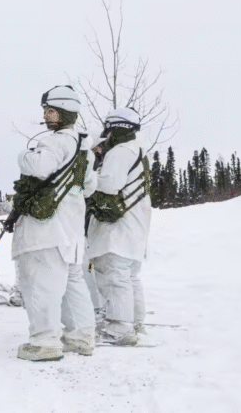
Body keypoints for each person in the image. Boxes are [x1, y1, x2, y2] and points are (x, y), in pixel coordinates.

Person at [10, 85, 98, 361]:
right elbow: (89, 188)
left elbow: (39, 167)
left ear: (62, 113)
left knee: (40, 283)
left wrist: (22, 156)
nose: (46, 116)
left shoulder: (55, 141)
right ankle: (81, 336)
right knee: (73, 282)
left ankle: (44, 341)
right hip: (71, 229)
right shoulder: (85, 149)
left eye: (50, 111)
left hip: (46, 229)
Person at [86, 107, 152, 346]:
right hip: (134, 226)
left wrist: (87, 179)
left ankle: (119, 329)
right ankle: (135, 324)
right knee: (130, 277)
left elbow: (109, 184)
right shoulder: (138, 151)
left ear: (115, 128)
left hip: (117, 228)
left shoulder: (120, 152)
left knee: (114, 276)